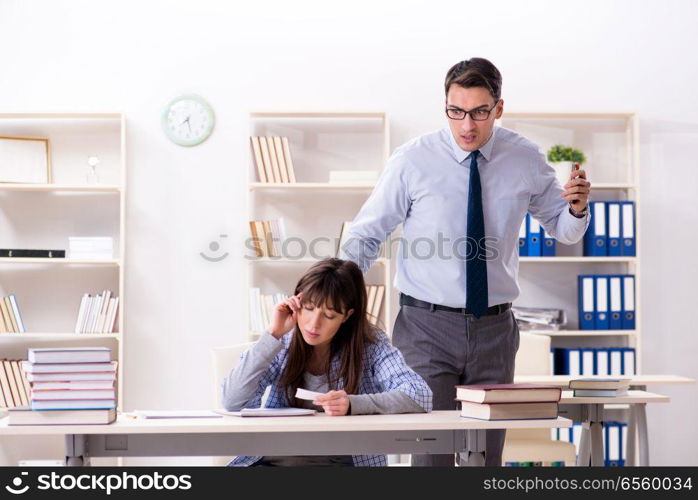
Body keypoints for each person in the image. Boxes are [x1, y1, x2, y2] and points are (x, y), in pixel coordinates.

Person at [341, 57, 591, 466]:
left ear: (499, 108)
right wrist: (334, 289)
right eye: (456, 112)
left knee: (486, 461)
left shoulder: (525, 158)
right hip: (425, 329)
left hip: (494, 330)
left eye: (478, 112)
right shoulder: (413, 160)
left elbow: (562, 230)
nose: (467, 126)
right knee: (430, 459)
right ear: (446, 107)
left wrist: (577, 210)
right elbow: (368, 233)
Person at [221, 257, 432, 466]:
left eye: (329, 315)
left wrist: (353, 404)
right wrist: (272, 334)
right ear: (296, 302)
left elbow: (419, 394)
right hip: (276, 459)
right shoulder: (283, 342)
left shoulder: (371, 346)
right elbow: (232, 401)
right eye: (309, 308)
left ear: (347, 316)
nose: (314, 324)